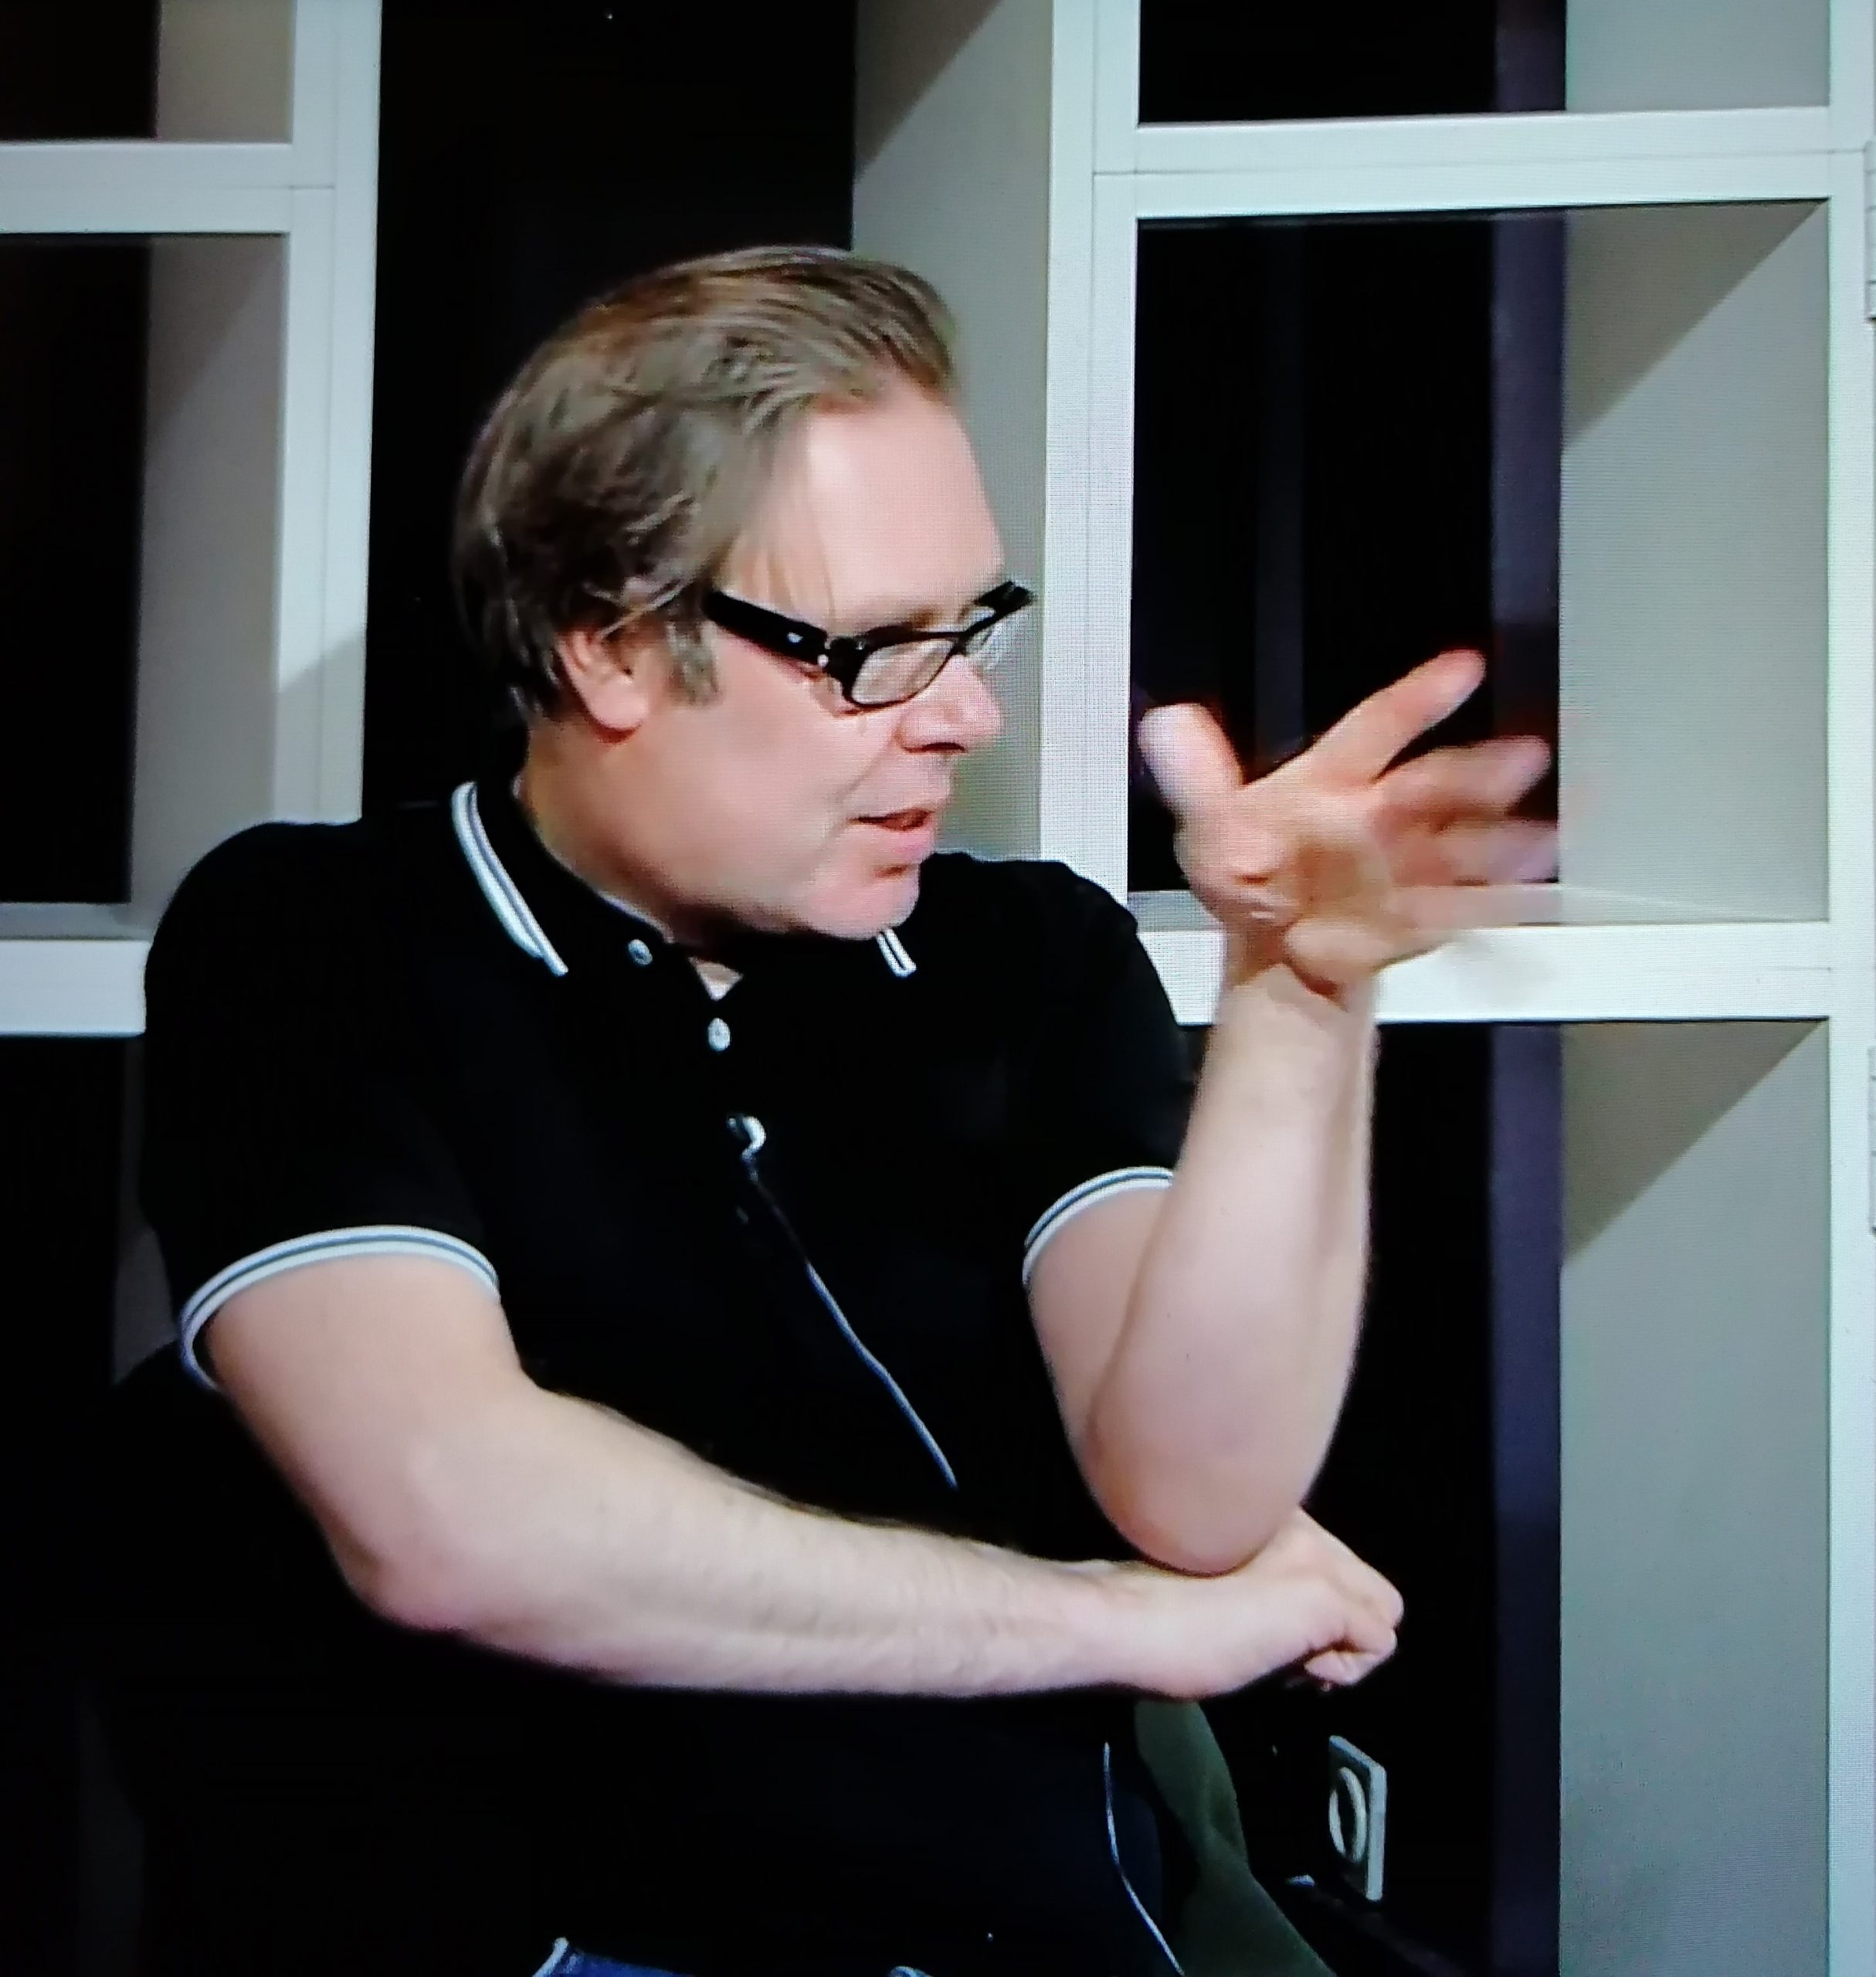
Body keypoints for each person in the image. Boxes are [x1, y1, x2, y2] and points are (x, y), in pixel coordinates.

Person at [118, 245, 1554, 1977]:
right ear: (609, 644)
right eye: (875, 652)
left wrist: (1300, 997)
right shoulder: (317, 941)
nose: (968, 718)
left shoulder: (1026, 958)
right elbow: (454, 1518)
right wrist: (1110, 1621)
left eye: (973, 630)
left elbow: (1199, 1491)